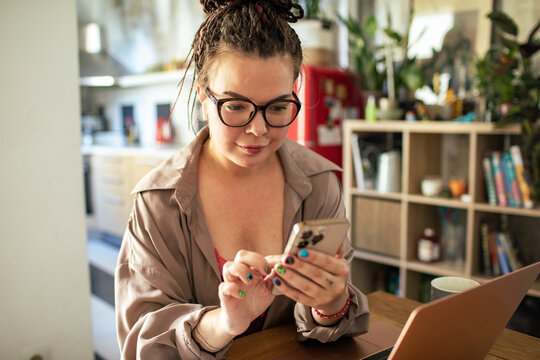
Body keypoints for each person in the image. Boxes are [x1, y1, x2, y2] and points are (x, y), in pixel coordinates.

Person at [115, 1, 370, 359]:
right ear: (204, 94)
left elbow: (338, 316)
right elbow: (144, 342)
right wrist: (224, 323)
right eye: (235, 106)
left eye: (278, 107)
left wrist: (330, 304)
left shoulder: (320, 182)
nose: (259, 130)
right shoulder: (158, 202)